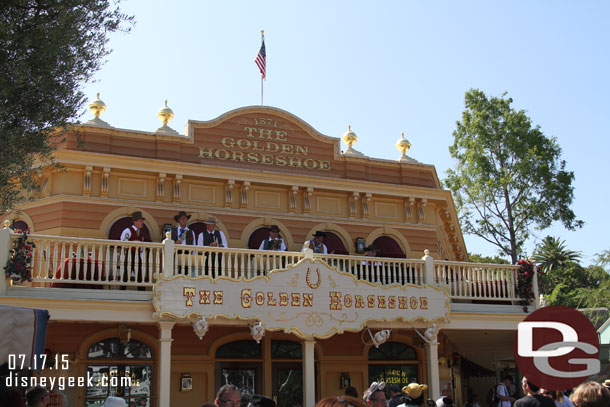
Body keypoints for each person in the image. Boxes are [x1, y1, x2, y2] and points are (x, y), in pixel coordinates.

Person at [119, 211, 151, 290]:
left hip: (137, 254)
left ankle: (141, 289)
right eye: (140, 221)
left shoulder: (141, 233)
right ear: (135, 221)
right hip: (130, 253)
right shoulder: (128, 231)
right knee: (127, 272)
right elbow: (123, 243)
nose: (142, 223)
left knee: (139, 272)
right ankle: (122, 289)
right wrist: (134, 243)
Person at [170, 211, 196, 275]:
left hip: (187, 253)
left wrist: (193, 256)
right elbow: (168, 242)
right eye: (182, 218)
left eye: (185, 218)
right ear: (178, 220)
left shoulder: (191, 232)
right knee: (177, 271)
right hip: (176, 253)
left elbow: (194, 245)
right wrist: (175, 243)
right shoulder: (173, 230)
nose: (183, 220)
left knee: (186, 272)